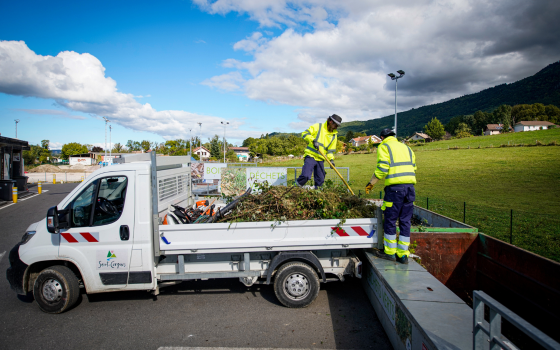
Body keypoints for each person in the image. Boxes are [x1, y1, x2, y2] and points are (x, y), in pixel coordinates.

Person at [365, 128, 417, 264]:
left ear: (382, 137)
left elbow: (382, 168)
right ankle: (403, 254)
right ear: (393, 136)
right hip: (410, 188)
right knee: (405, 221)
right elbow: (414, 167)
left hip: (395, 190)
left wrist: (371, 183)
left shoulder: (384, 146)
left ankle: (390, 252)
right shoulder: (406, 148)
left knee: (390, 220)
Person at [297, 114, 342, 188]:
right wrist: (313, 140)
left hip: (320, 159)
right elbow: (304, 134)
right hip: (311, 156)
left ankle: (318, 195)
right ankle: (294, 188)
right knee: (305, 176)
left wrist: (331, 160)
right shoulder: (318, 127)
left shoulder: (334, 135)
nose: (336, 127)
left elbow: (330, 151)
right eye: (336, 125)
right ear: (330, 121)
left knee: (320, 180)